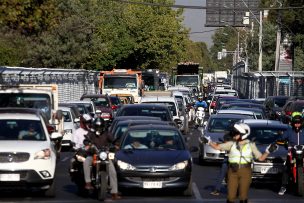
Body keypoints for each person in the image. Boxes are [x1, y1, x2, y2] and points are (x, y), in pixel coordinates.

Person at [202, 123, 278, 203]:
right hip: (232, 171)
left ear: (243, 134)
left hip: (246, 171)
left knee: (243, 196)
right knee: (231, 196)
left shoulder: (251, 145)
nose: (234, 135)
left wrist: (268, 151)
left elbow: (261, 158)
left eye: (236, 133)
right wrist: (208, 141)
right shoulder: (231, 144)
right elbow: (217, 147)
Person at [83, 117, 122, 200]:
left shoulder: (107, 133)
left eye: (100, 127)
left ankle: (114, 192)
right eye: (97, 127)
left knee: (112, 171)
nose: (99, 128)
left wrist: (116, 144)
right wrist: (87, 143)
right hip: (93, 154)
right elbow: (86, 139)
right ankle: (88, 182)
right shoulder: (91, 133)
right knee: (86, 162)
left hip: (105, 155)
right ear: (94, 126)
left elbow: (114, 140)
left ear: (103, 126)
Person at [278, 111, 304, 195]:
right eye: (295, 123)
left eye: (299, 123)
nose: (297, 124)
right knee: (286, 168)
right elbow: (281, 138)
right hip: (292, 153)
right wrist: (281, 139)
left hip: (303, 152)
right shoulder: (289, 131)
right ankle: (283, 186)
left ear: (301, 123)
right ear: (293, 123)